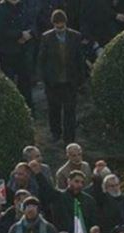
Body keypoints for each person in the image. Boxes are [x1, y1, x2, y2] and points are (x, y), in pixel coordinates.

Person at [37, 10, 84, 144]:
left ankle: (69, 138)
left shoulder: (75, 36)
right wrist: (44, 79)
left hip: (70, 81)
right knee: (54, 109)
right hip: (53, 82)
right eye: (57, 26)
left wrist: (81, 79)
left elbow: (79, 59)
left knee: (70, 111)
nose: (59, 28)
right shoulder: (46, 37)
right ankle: (56, 134)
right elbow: (41, 60)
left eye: (61, 26)